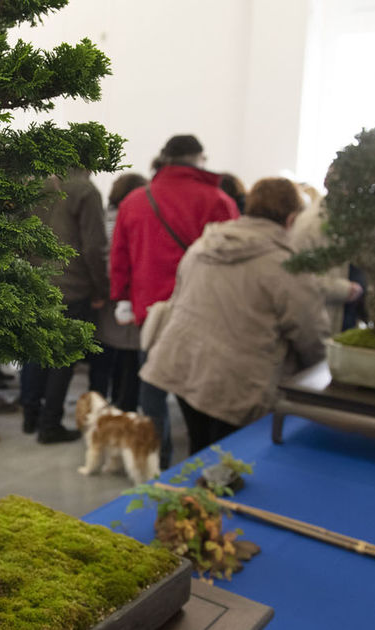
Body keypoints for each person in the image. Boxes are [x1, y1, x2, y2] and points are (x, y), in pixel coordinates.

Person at [139, 177, 328, 454]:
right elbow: (309, 332)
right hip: (238, 382)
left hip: (183, 364)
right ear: (290, 219)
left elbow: (179, 297)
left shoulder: (205, 245)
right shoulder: (286, 265)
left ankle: (192, 494)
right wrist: (320, 372)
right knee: (231, 463)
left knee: (200, 453)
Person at [110, 134, 239, 467]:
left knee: (151, 390)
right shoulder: (218, 201)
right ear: (199, 159)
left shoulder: (135, 201)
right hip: (199, 311)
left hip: (148, 310)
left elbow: (120, 257)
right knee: (195, 391)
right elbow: (232, 264)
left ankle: (157, 463)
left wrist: (121, 296)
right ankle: (199, 463)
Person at [20, 169, 108, 444]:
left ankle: (31, 416)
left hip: (37, 282)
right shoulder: (84, 190)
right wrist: (101, 288)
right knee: (62, 359)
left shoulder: (38, 184)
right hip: (72, 284)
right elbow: (93, 247)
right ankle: (50, 425)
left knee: (36, 352)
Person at [88, 172, 148, 412]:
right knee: (128, 359)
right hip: (125, 294)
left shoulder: (101, 217)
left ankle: (96, 409)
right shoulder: (135, 220)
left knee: (101, 356)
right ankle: (124, 410)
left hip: (103, 293)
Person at [289, 185, 363, 336]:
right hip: (322, 318)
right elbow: (297, 275)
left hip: (344, 314)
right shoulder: (311, 224)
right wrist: (342, 289)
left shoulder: (350, 219)